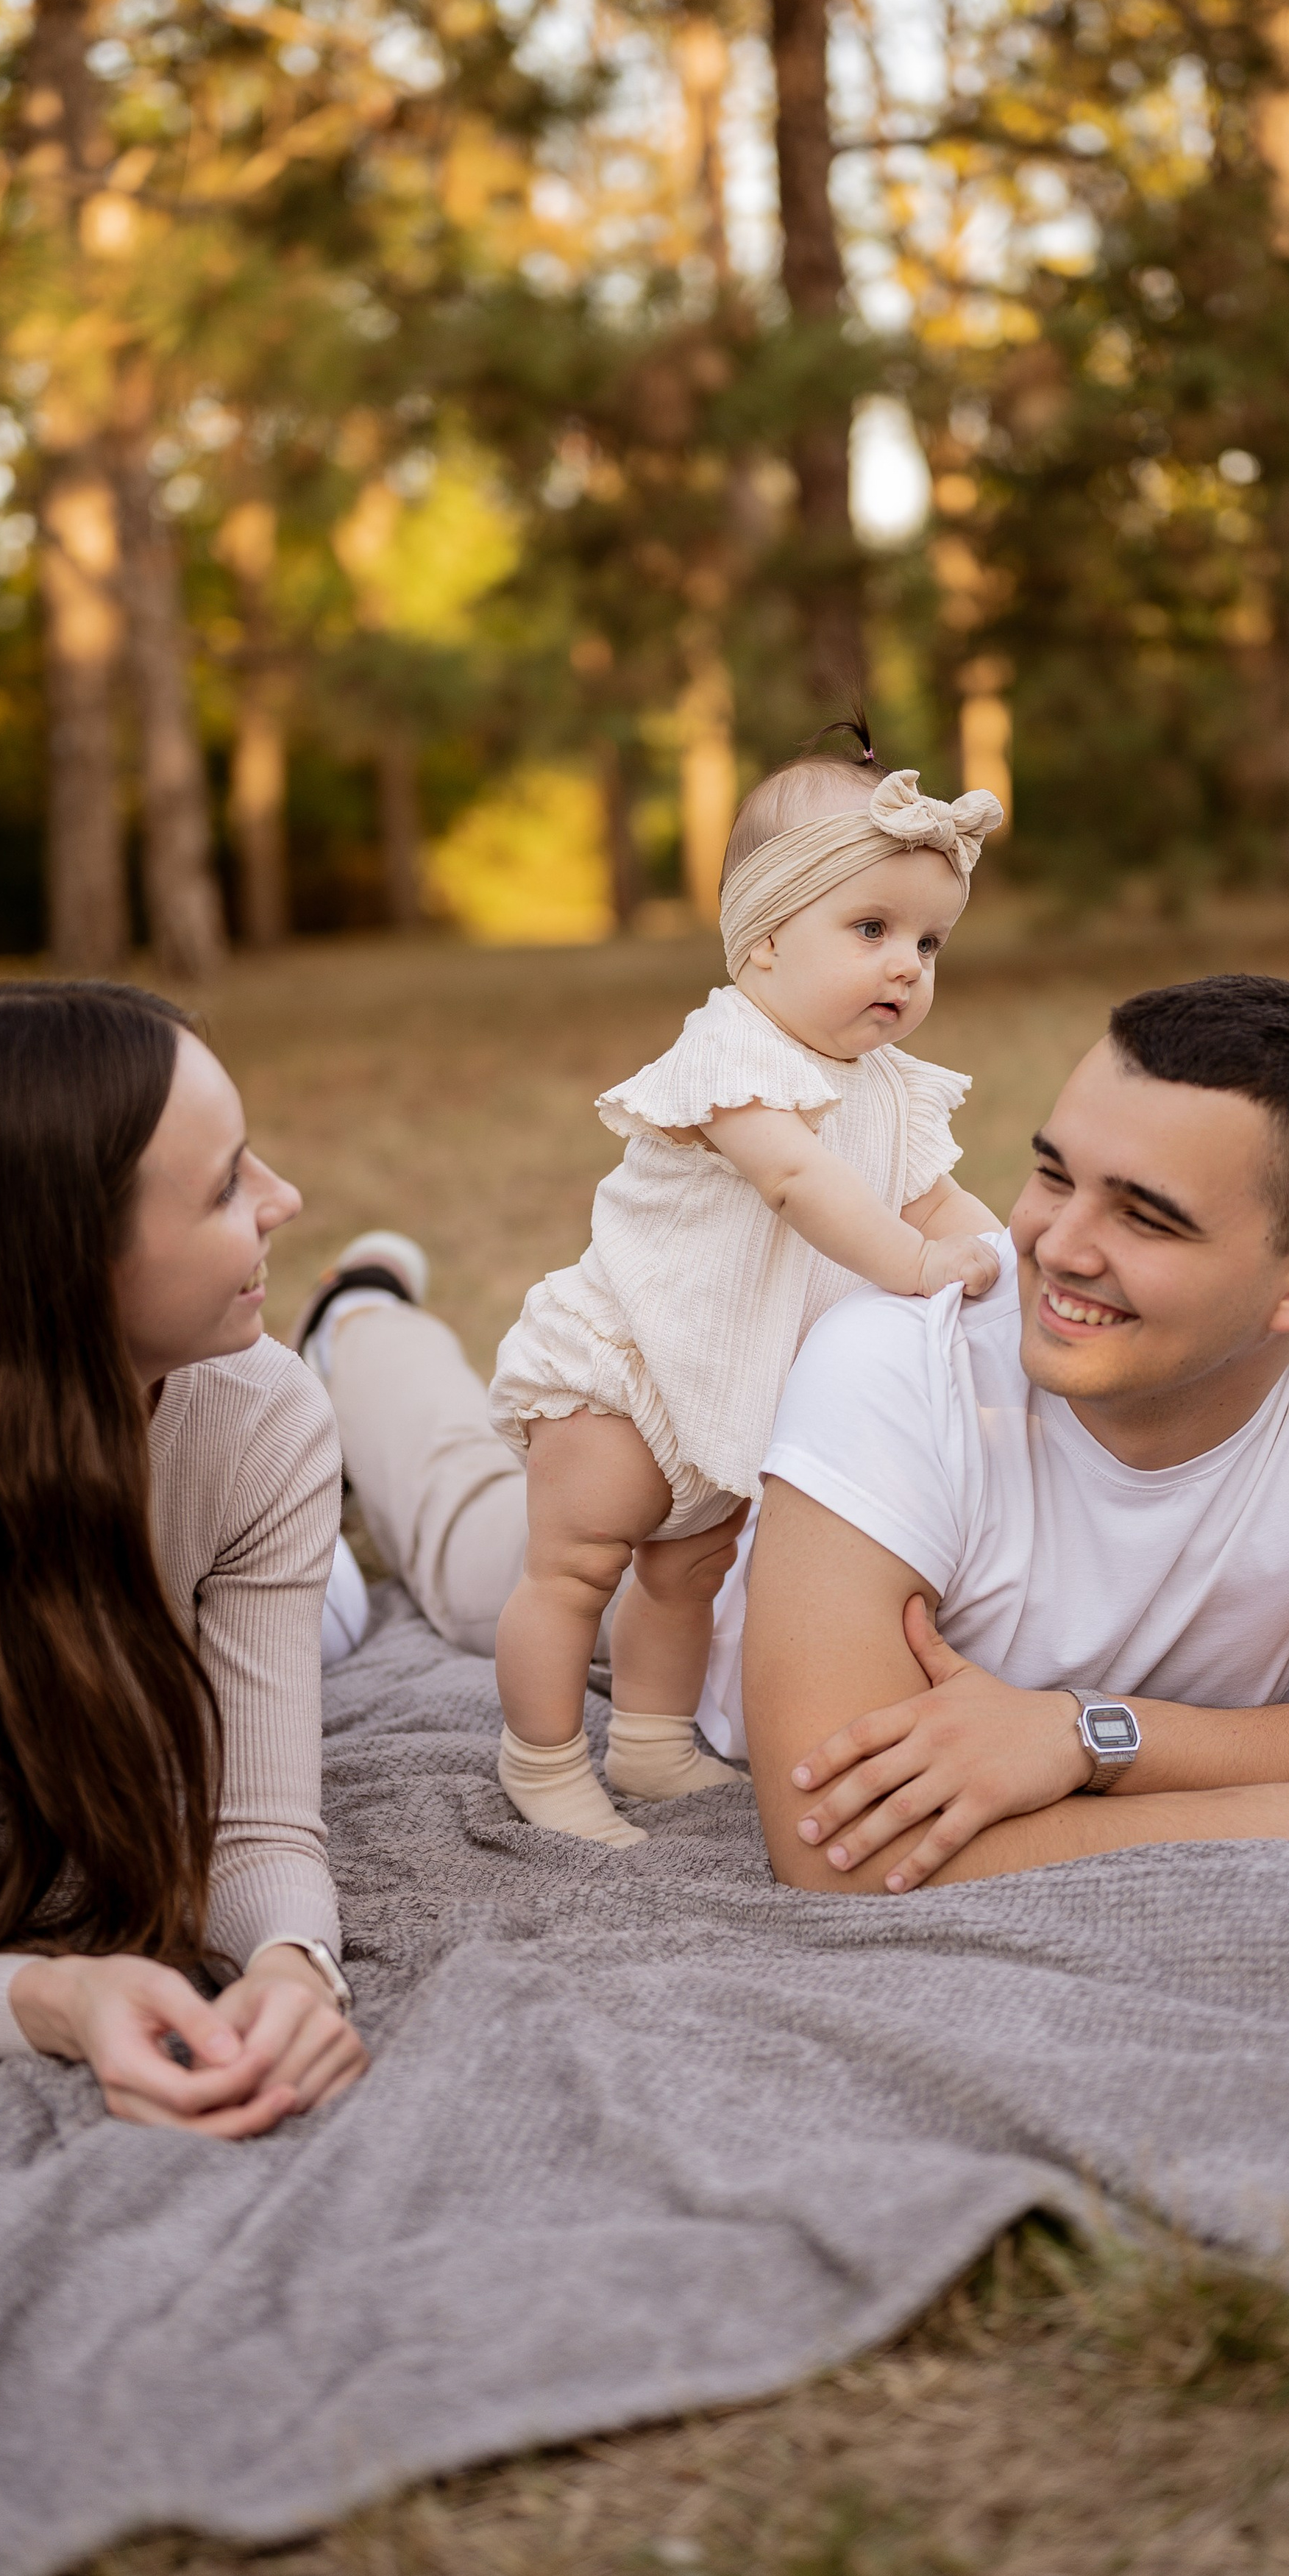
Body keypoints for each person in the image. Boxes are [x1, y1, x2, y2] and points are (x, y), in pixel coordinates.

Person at [737, 972, 1289, 1889]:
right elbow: (839, 1852)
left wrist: (1080, 1731)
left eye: (1145, 1217)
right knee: (556, 1544)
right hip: (664, 1548)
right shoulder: (892, 1363)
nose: (1059, 1246)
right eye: (1054, 1174)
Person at [0, 983, 369, 2135]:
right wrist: (59, 2000)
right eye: (225, 1187)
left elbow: (258, 1822)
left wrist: (290, 1964)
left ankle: (369, 1320)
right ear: (59, 1267)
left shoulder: (266, 1420)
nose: (284, 1197)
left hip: (234, 1578)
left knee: (392, 1583)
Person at [480, 730, 1006, 1848]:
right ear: (762, 941)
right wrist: (915, 1269)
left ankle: (655, 1743)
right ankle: (542, 1761)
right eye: (871, 930)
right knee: (574, 1572)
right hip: (625, 1368)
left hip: (729, 1386)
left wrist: (1003, 1260)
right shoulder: (732, 1060)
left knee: (691, 1575)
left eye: (928, 940)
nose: (908, 965)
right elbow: (796, 1180)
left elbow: (937, 1202)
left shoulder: (889, 1090)